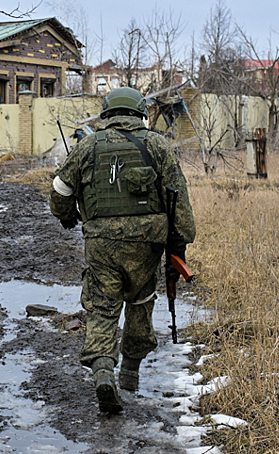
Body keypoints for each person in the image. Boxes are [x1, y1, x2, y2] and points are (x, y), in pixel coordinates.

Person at [50, 87, 195, 413]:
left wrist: (67, 215)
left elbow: (59, 189)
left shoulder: (87, 146)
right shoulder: (158, 145)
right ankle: (130, 371)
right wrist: (179, 249)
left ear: (107, 114)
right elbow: (179, 204)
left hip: (102, 245)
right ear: (140, 113)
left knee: (102, 308)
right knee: (141, 301)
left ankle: (103, 372)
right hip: (147, 246)